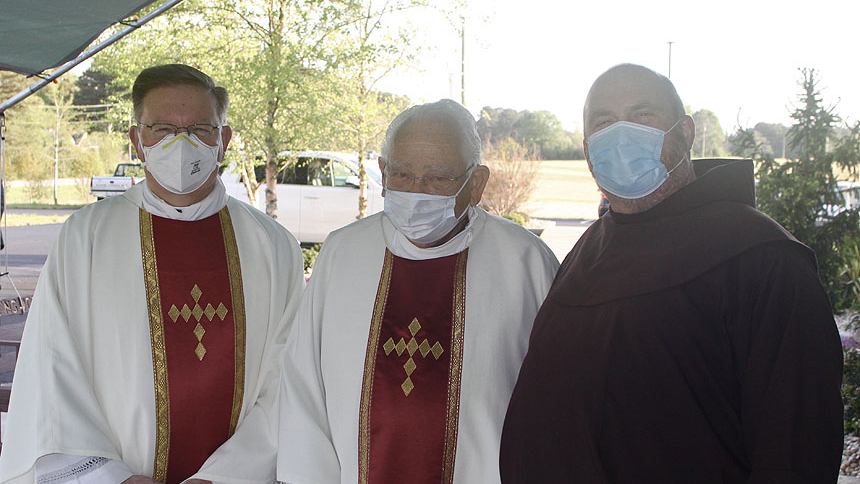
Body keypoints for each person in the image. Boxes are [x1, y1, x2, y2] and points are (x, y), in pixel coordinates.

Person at [500, 64, 844, 483]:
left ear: (685, 133)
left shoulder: (761, 258)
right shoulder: (590, 246)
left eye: (642, 114)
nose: (621, 133)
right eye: (603, 121)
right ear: (588, 149)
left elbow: (795, 446)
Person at [0, 64, 304, 484]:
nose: (181, 143)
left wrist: (224, 476)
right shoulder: (86, 236)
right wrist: (110, 476)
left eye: (201, 128)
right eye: (161, 129)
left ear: (224, 140)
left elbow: (288, 379)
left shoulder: (272, 246)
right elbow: (52, 366)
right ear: (137, 142)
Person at [277, 99, 559, 484]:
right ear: (381, 172)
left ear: (476, 183)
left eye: (438, 179)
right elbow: (303, 387)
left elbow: (554, 402)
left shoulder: (526, 263)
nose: (417, 193)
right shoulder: (343, 254)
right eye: (402, 175)